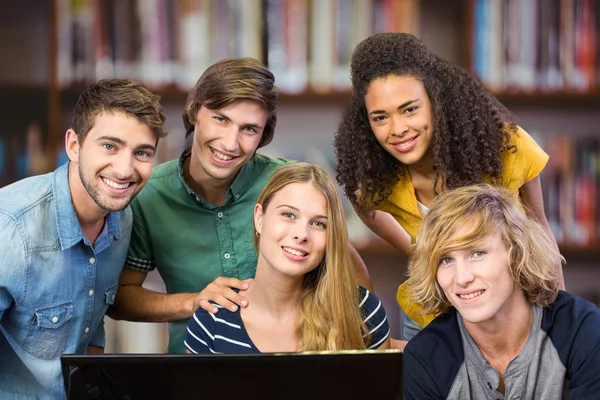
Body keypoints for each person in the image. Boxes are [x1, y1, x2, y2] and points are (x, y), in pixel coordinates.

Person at [108, 58, 373, 354]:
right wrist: (194, 302)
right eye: (220, 119)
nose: (230, 143)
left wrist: (362, 353)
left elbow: (346, 271)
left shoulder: (286, 185)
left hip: (295, 368)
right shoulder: (149, 194)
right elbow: (120, 298)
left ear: (264, 135)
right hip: (196, 369)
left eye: (249, 129)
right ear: (195, 111)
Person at [334, 32, 563, 339]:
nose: (398, 129)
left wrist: (563, 320)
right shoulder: (377, 181)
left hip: (514, 313)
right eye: (380, 118)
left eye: (410, 109)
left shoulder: (506, 149)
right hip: (434, 319)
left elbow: (542, 231)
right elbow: (364, 205)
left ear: (435, 100)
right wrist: (420, 252)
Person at [0, 79, 167, 399]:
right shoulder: (11, 230)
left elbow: (89, 328)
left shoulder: (121, 216)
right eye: (109, 146)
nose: (124, 169)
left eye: (142, 152)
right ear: (73, 145)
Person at [402, 184, 600, 399]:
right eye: (446, 260)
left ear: (516, 254)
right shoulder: (424, 356)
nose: (462, 278)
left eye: (477, 253)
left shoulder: (582, 328)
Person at [185, 163, 390, 353]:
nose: (301, 234)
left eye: (319, 224)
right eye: (288, 215)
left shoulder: (362, 311)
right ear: (259, 218)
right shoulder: (211, 322)